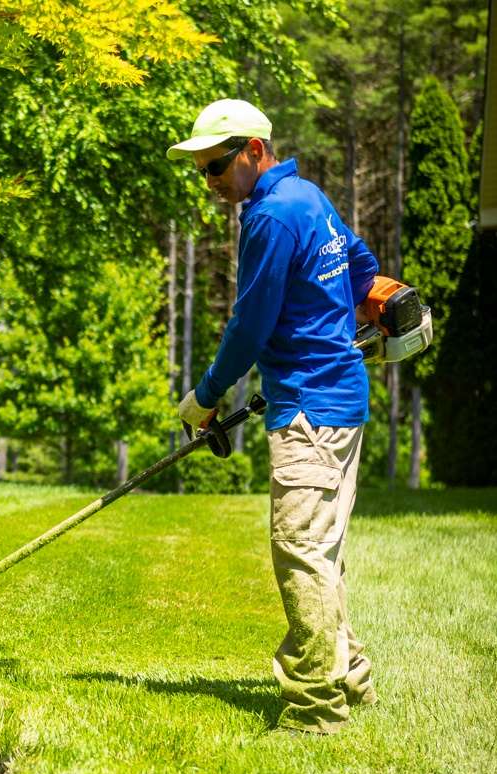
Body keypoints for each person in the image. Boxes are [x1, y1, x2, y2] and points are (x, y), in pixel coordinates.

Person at [167, 99, 379, 735]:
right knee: (323, 552)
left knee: (299, 549)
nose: (210, 183)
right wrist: (374, 304)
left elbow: (250, 326)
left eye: (216, 167)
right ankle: (350, 678)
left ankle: (315, 706)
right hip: (343, 400)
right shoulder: (309, 196)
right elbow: (364, 268)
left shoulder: (271, 214)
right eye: (201, 171)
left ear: (254, 151)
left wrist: (204, 397)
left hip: (310, 409)